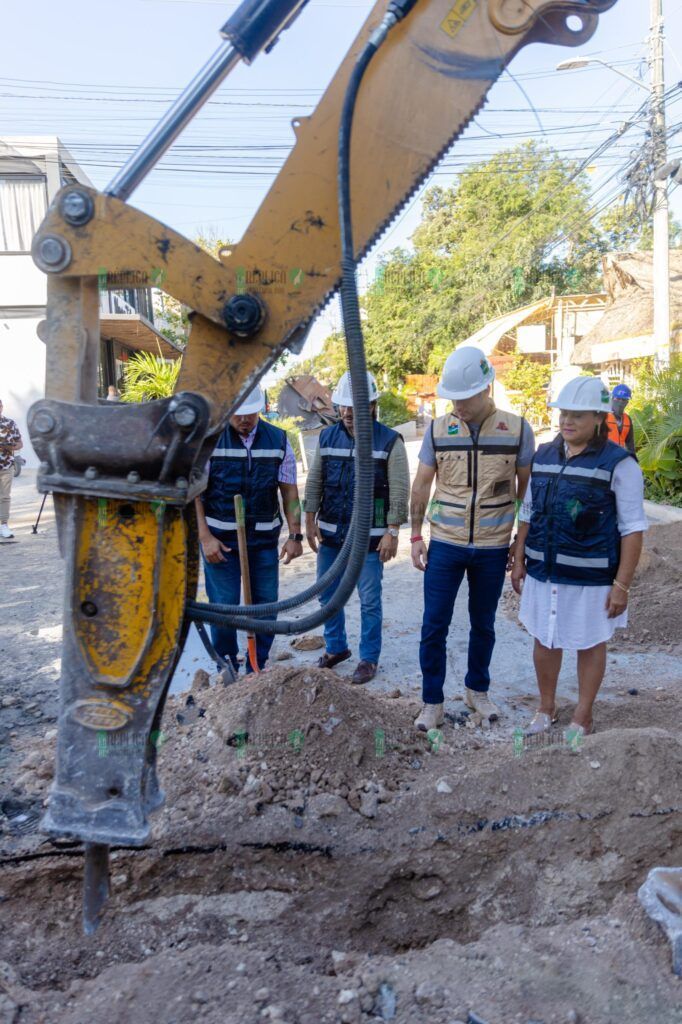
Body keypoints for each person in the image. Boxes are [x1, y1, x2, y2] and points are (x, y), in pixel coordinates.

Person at [511, 376, 647, 741]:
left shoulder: (620, 465)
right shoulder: (544, 455)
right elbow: (528, 509)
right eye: (563, 413)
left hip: (592, 577)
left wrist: (622, 585)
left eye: (578, 415)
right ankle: (546, 707)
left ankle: (583, 716)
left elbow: (633, 529)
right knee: (544, 639)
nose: (567, 421)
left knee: (590, 642)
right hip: (544, 570)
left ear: (599, 418)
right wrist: (520, 555)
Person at [409, 346, 535, 732]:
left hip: (493, 547)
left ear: (486, 389)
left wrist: (520, 544)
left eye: (464, 399)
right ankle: (432, 701)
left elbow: (526, 494)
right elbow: (422, 485)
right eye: (453, 400)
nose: (457, 407)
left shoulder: (516, 430)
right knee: (434, 624)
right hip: (445, 544)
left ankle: (476, 690)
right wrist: (415, 535)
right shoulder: (437, 430)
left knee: (484, 623)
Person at [304, 370, 409, 685]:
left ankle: (368, 658)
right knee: (327, 595)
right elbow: (315, 480)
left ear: (373, 404)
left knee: (370, 599)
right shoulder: (327, 437)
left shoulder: (390, 440)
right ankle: (336, 648)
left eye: (356, 406)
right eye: (344, 406)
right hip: (332, 534)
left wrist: (392, 531)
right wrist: (309, 519)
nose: (349, 413)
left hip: (371, 537)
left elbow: (399, 489)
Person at [195, 385, 303, 674]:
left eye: (250, 413)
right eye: (238, 413)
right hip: (220, 542)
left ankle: (258, 662)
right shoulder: (210, 441)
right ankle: (226, 664)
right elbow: (194, 495)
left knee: (266, 605)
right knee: (224, 608)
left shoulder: (278, 440)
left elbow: (290, 492)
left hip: (264, 541)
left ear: (260, 408)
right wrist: (205, 538)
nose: (244, 419)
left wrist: (295, 535)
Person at [0, 399, 23, 540]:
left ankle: (3, 526)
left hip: (7, 465)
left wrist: (10, 447)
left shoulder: (10, 423)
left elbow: (20, 443)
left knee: (5, 497)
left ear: (2, 407)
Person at [606, 383, 635, 452]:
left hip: (619, 458)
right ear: (612, 398)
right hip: (603, 459)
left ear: (627, 402)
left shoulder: (627, 420)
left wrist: (633, 459)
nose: (620, 402)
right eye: (618, 398)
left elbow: (630, 444)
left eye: (624, 400)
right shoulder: (603, 416)